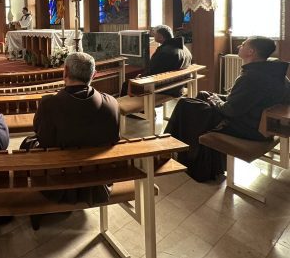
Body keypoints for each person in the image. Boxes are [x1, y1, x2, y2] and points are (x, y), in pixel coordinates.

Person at [165, 36, 290, 182]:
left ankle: (170, 149)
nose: (239, 47)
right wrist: (217, 98)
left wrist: (217, 101)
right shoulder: (276, 74)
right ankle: (197, 157)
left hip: (249, 128)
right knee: (203, 95)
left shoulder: (251, 77)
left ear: (251, 51)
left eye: (243, 44)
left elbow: (231, 111)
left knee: (185, 104)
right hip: (258, 122)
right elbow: (246, 101)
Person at [29, 52, 119, 204]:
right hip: (97, 184)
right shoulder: (111, 103)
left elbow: (43, 140)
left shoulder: (49, 105)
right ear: (94, 75)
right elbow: (114, 138)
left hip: (59, 186)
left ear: (65, 72)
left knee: (29, 144)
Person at [120, 25, 192, 96]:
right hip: (178, 86)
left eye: (155, 35)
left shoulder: (164, 52)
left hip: (165, 89)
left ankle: (124, 103)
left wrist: (140, 77)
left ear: (161, 37)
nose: (153, 36)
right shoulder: (184, 49)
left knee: (126, 84)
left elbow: (152, 72)